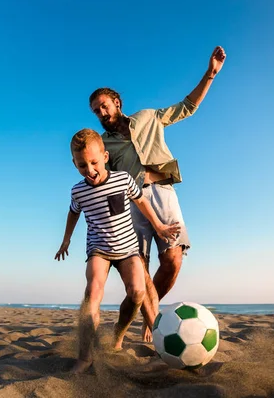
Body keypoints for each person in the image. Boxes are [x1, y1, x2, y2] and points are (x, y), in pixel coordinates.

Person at [88, 46, 227, 341]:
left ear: (116, 102)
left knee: (174, 260)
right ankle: (154, 324)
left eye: (104, 106)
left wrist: (210, 75)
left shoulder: (149, 117)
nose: (101, 113)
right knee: (141, 267)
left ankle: (152, 313)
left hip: (162, 194)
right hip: (129, 204)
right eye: (96, 111)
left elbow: (187, 107)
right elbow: (100, 174)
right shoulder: (103, 144)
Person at [54, 128, 180, 374]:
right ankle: (85, 357)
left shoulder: (122, 179)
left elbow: (141, 201)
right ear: (74, 163)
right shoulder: (78, 191)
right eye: (81, 166)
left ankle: (118, 333)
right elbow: (73, 212)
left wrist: (159, 226)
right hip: (98, 249)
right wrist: (66, 240)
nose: (89, 170)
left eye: (93, 162)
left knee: (137, 292)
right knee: (93, 292)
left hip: (127, 249)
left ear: (105, 156)